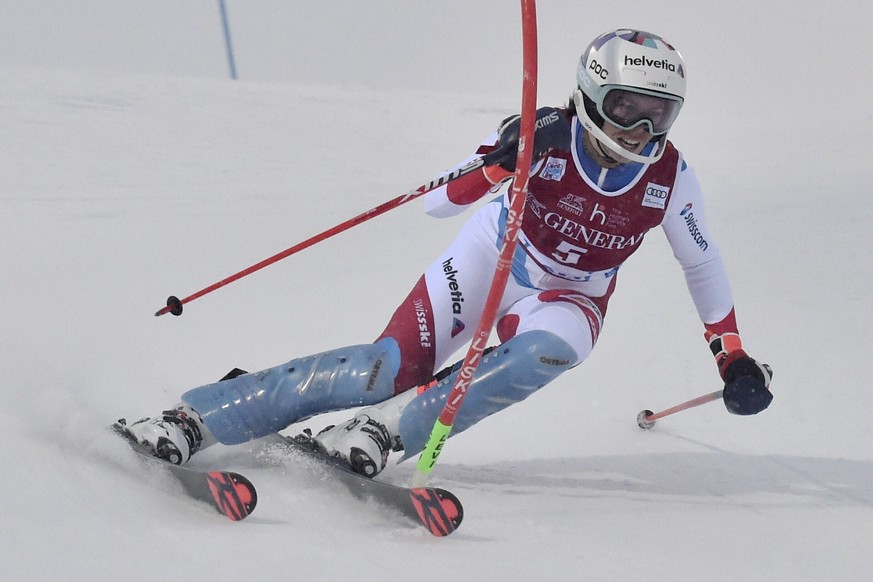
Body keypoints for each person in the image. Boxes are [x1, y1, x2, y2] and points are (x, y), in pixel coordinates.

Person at [118, 29, 773, 477]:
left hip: (571, 294)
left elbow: (700, 263)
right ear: (594, 92)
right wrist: (503, 160)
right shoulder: (544, 133)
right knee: (383, 369)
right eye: (628, 108)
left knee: (553, 350)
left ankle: (386, 431)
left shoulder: (669, 177)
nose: (640, 129)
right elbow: (438, 202)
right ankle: (200, 415)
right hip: (490, 257)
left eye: (658, 115)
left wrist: (732, 356)